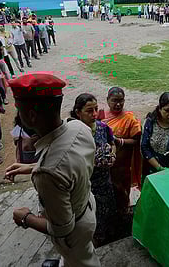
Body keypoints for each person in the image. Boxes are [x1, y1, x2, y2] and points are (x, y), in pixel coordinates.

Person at [4, 73, 101, 267]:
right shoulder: (79, 127)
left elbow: (62, 229)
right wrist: (31, 167)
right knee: (83, 255)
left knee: (82, 262)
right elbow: (70, 169)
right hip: (87, 207)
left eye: (19, 111)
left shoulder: (48, 172)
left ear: (31, 115)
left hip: (74, 230)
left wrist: (26, 218)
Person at [69, 93, 117, 247]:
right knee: (89, 213)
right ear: (78, 112)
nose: (95, 114)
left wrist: (112, 155)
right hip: (86, 183)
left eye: (96, 109)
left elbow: (112, 142)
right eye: (89, 111)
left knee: (107, 208)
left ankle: (105, 234)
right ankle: (93, 239)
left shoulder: (103, 127)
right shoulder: (73, 133)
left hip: (104, 180)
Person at [98, 87, 142, 217]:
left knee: (122, 190)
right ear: (107, 100)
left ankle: (124, 213)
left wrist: (119, 141)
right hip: (105, 165)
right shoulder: (102, 116)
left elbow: (137, 140)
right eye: (114, 100)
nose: (118, 104)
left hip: (123, 165)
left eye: (121, 101)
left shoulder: (130, 119)